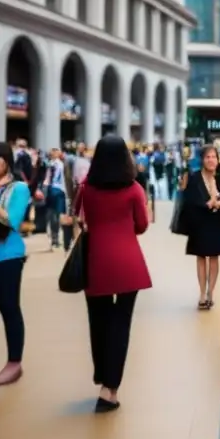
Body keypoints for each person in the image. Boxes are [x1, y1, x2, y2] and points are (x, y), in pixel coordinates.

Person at [75, 135, 151, 412]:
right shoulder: (134, 189)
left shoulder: (86, 188)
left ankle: (102, 374)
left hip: (96, 262)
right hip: (129, 262)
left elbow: (80, 220)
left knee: (98, 321)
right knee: (122, 324)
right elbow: (141, 225)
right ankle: (111, 389)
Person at [0, 141, 30, 385]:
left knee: (9, 307)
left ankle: (14, 362)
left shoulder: (18, 188)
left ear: (5, 161)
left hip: (8, 256)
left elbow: (13, 220)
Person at [183, 146, 220, 309]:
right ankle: (202, 293)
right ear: (202, 160)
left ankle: (211, 292)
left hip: (216, 221)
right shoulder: (195, 178)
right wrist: (209, 204)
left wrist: (218, 202)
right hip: (199, 221)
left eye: (214, 157)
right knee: (201, 257)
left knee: (214, 257)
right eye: (208, 157)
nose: (211, 160)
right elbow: (189, 201)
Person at [43, 147, 68, 249]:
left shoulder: (50, 164)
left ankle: (54, 236)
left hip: (50, 189)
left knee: (52, 214)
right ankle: (56, 237)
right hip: (58, 190)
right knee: (57, 215)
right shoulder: (61, 165)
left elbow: (46, 179)